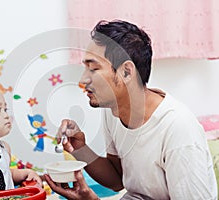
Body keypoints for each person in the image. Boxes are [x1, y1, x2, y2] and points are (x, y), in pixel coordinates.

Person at [44, 19, 218, 199]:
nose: (83, 80)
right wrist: (80, 148)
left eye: (93, 68)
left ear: (126, 72)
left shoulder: (178, 129)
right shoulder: (114, 110)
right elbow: (117, 180)